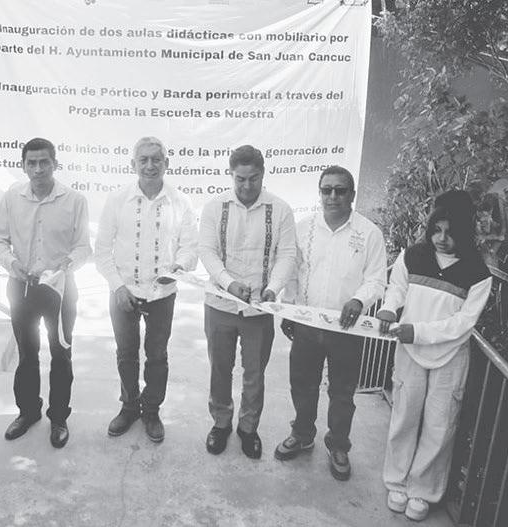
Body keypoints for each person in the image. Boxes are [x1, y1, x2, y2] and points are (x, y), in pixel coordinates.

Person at [377, 190, 492, 521]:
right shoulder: (412, 256)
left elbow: (463, 323)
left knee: (440, 425)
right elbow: (397, 288)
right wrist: (389, 308)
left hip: (450, 356)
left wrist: (418, 331)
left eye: (450, 232)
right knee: (404, 415)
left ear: (464, 233)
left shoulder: (478, 273)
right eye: (436, 230)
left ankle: (423, 491)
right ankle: (396, 481)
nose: (441, 238)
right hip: (410, 351)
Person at [274, 166, 386, 481]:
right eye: (327, 190)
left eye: (340, 190)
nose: (333, 196)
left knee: (342, 392)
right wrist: (290, 308)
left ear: (352, 194)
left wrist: (358, 301)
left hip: (346, 329)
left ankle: (338, 445)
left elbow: (377, 279)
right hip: (307, 325)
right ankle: (302, 434)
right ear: (320, 193)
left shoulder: (369, 233)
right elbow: (292, 271)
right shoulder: (303, 229)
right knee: (302, 384)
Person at [95, 137, 198, 443]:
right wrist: (117, 287)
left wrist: (177, 268)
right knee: (126, 354)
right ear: (133, 164)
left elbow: (190, 249)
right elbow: (102, 250)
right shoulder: (117, 199)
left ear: (167, 164)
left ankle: (151, 410)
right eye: (144, 160)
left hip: (162, 295)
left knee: (157, 355)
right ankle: (129, 407)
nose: (150, 166)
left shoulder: (180, 202)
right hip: (123, 292)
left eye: (157, 159)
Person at [0, 137, 91, 449]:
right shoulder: (12, 197)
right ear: (23, 166)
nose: (38, 169)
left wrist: (68, 263)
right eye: (31, 163)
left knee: (60, 354)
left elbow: (83, 247)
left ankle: (58, 417)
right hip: (21, 287)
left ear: (55, 164)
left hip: (60, 290)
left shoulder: (74, 200)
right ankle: (28, 412)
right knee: (27, 353)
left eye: (44, 162)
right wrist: (12, 264)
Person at [197, 145, 296, 459]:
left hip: (260, 308)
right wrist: (229, 283)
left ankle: (248, 428)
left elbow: (287, 255)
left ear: (263, 174)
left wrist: (274, 288)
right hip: (220, 303)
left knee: (254, 373)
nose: (247, 185)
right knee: (220, 368)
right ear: (231, 175)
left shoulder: (280, 209)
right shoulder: (215, 207)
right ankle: (221, 423)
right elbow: (207, 251)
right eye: (240, 179)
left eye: (253, 178)